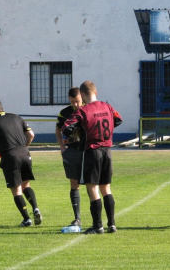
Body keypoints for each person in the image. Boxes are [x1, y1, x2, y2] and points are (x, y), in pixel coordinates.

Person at [62, 81, 123, 234]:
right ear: (95, 92)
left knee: (93, 188)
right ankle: (112, 224)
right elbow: (118, 119)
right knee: (106, 188)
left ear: (82, 95)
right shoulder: (107, 106)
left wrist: (79, 133)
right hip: (107, 150)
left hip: (92, 151)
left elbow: (66, 128)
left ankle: (98, 226)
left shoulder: (82, 111)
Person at [0, 98, 43, 227]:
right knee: (25, 185)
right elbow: (31, 134)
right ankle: (35, 208)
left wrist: (2, 151)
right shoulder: (16, 117)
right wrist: (24, 147)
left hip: (10, 157)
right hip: (25, 153)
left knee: (16, 190)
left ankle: (27, 219)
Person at [56, 87, 84, 227]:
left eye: (77, 101)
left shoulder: (88, 109)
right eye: (72, 102)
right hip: (72, 151)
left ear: (82, 97)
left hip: (88, 150)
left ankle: (98, 219)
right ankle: (77, 218)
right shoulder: (64, 113)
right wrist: (62, 147)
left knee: (93, 184)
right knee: (74, 183)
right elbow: (57, 129)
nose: (75, 105)